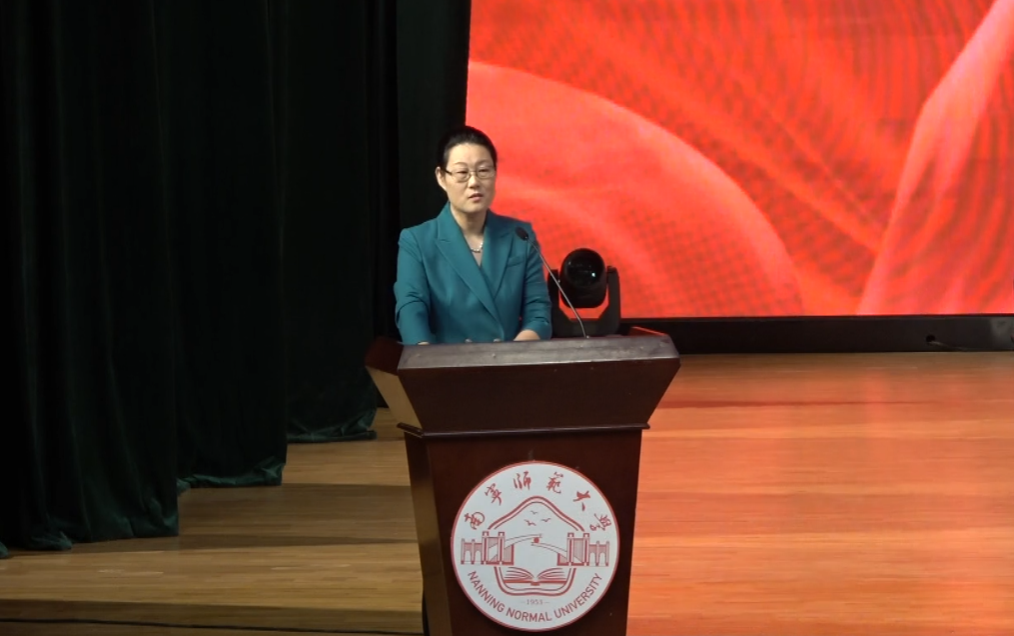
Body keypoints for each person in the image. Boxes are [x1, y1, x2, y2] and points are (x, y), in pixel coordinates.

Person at [394, 125, 552, 345]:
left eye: (483, 170)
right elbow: (411, 310)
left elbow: (538, 312)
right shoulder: (417, 241)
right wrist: (426, 358)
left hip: (509, 361)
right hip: (446, 363)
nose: (474, 182)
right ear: (441, 177)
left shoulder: (520, 237)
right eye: (462, 173)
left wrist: (511, 354)